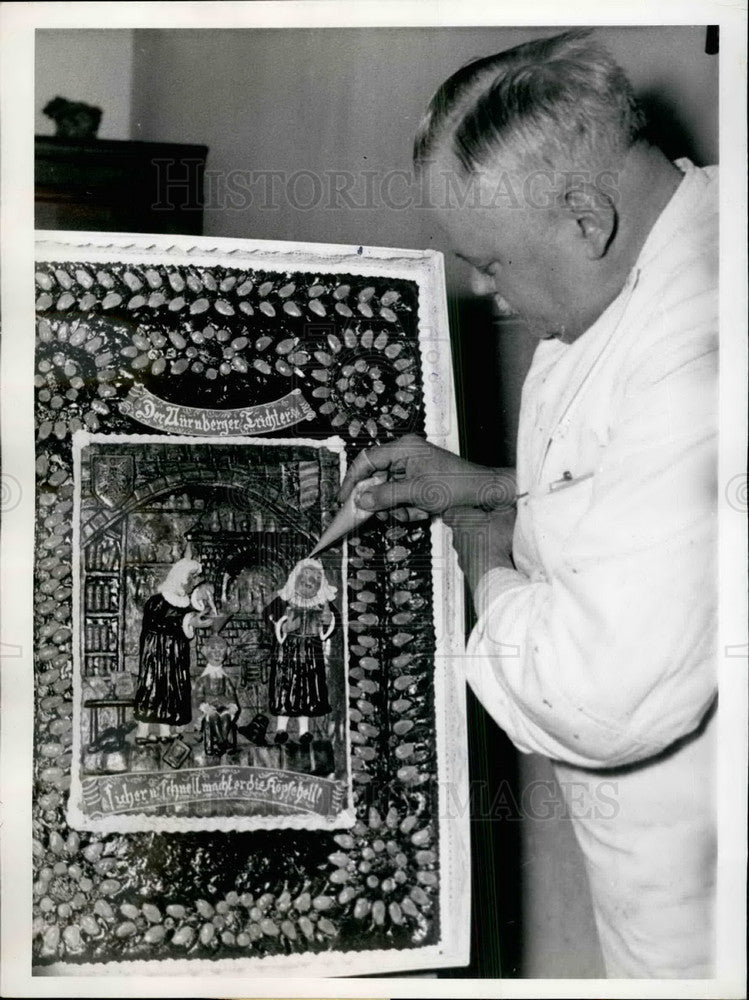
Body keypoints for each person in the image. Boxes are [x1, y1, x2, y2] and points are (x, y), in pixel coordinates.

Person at [339, 30, 717, 979]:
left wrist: (478, 541)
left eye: (492, 263)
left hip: (706, 887)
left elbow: (590, 692)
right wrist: (483, 482)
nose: (480, 287)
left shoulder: (705, 345)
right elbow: (626, 479)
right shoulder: (646, 248)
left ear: (584, 218)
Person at [133, 558, 212, 744]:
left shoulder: (184, 603)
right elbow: (155, 624)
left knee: (170, 690)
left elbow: (185, 623)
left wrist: (195, 619)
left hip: (175, 656)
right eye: (190, 578)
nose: (192, 582)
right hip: (156, 655)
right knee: (153, 690)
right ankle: (142, 731)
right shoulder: (157, 601)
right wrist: (187, 622)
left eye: (195, 579)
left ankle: (165, 730)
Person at [267, 558, 337, 746]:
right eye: (305, 576)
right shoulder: (285, 599)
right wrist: (283, 626)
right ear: (296, 578)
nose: (310, 582)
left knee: (307, 689)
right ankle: (281, 728)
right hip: (288, 652)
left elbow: (333, 623)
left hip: (310, 652)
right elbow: (268, 615)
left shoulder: (321, 603)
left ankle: (304, 730)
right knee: (285, 687)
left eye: (315, 578)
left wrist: (328, 620)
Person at [194, 634, 241, 756]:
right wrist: (204, 707)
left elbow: (231, 694)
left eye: (220, 650)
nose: (217, 654)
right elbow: (198, 696)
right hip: (210, 709)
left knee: (225, 719)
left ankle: (221, 742)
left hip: (223, 707)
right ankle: (223, 742)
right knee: (213, 718)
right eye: (213, 650)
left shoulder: (226, 679)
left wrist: (232, 706)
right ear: (206, 652)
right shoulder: (203, 679)